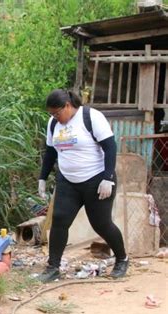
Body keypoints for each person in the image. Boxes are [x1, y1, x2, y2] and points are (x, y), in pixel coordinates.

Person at [37, 89, 128, 282]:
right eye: (51, 114)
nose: (54, 117)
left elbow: (110, 147)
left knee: (101, 224)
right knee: (60, 220)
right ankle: (53, 267)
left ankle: (122, 259)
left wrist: (108, 178)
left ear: (68, 106)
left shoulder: (91, 117)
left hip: (96, 179)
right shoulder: (53, 124)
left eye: (57, 113)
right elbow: (51, 153)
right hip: (68, 181)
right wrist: (42, 178)